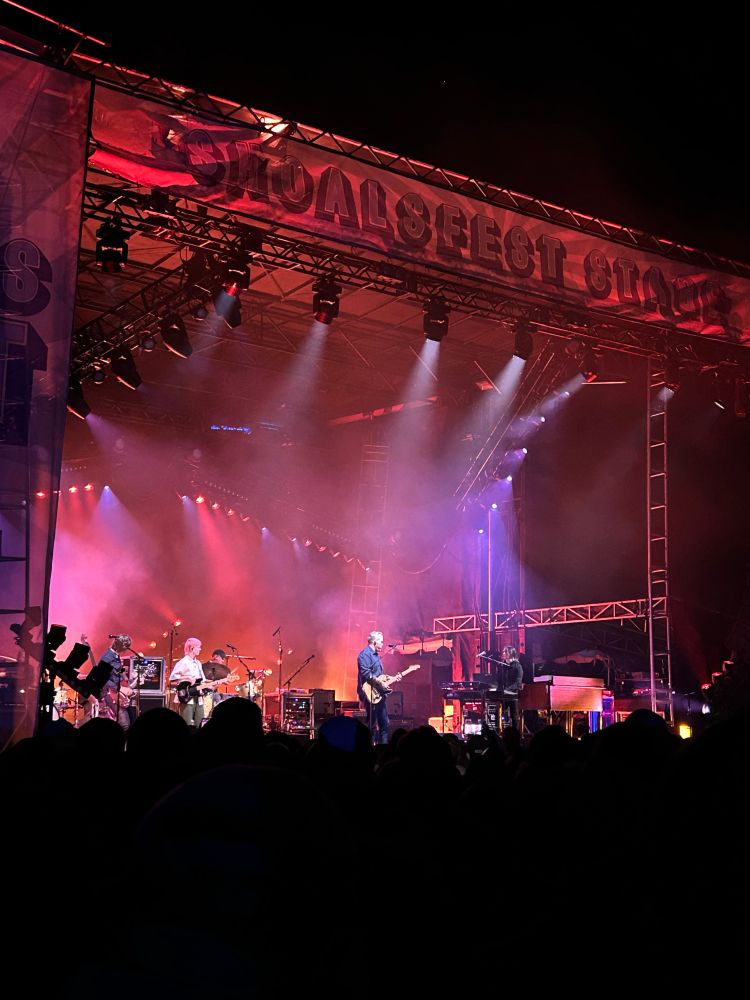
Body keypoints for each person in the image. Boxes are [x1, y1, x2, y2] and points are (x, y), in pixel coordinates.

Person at [357, 629, 396, 746]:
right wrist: (379, 681)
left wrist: (390, 678)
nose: (383, 644)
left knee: (385, 724)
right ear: (374, 642)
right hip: (369, 693)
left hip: (379, 693)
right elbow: (366, 673)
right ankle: (370, 752)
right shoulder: (364, 655)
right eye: (381, 642)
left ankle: (382, 751)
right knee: (372, 725)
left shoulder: (376, 656)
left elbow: (380, 675)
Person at [93, 634, 134, 729]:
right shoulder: (107, 657)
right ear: (122, 647)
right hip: (109, 693)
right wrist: (119, 688)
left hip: (115, 693)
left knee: (130, 720)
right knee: (124, 724)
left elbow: (114, 675)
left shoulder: (115, 656)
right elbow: (101, 678)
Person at [170, 637, 211, 728]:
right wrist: (186, 678)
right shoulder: (183, 663)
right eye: (199, 647)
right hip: (187, 699)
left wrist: (216, 682)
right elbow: (172, 681)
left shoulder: (198, 663)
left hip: (199, 699)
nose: (200, 649)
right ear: (192, 648)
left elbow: (202, 681)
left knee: (200, 725)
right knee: (186, 725)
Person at [500, 645, 524, 730]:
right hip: (503, 695)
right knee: (501, 713)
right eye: (503, 651)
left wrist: (507, 689)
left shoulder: (518, 666)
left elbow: (518, 683)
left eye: (505, 651)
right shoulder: (503, 666)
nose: (503, 653)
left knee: (514, 716)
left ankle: (515, 733)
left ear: (511, 653)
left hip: (513, 695)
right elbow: (500, 680)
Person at [203, 648, 231, 717]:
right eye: (221, 659)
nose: (222, 662)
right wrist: (211, 683)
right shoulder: (203, 667)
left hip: (213, 693)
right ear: (216, 657)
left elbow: (227, 682)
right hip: (202, 692)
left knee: (218, 698)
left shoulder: (219, 670)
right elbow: (201, 680)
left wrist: (222, 681)